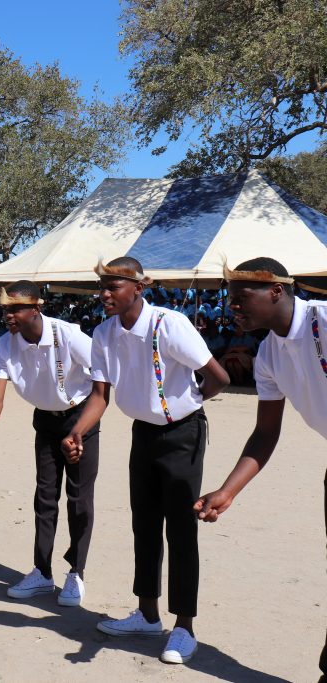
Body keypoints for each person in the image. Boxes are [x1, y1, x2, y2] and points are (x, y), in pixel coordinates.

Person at [60, 257, 229, 665]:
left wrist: (184, 406)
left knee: (182, 529)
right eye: (102, 285)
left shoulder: (168, 325)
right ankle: (148, 614)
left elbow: (218, 377)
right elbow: (100, 395)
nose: (104, 293)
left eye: (114, 285)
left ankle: (184, 627)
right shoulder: (103, 333)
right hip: (144, 435)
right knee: (145, 525)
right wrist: (77, 431)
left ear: (139, 287)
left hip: (182, 434)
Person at [193, 258, 327, 680]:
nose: (233, 307)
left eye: (241, 298)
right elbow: (265, 433)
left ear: (276, 292)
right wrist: (228, 491)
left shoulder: (323, 319)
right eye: (230, 300)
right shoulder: (268, 353)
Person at [0, 281, 97, 607]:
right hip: (46, 422)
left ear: (37, 307)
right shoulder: (6, 346)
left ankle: (76, 573)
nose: (8, 314)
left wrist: (79, 430)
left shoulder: (68, 336)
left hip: (81, 418)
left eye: (15, 308)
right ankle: (42, 571)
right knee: (44, 497)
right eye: (5, 308)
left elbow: (103, 382)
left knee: (79, 499)